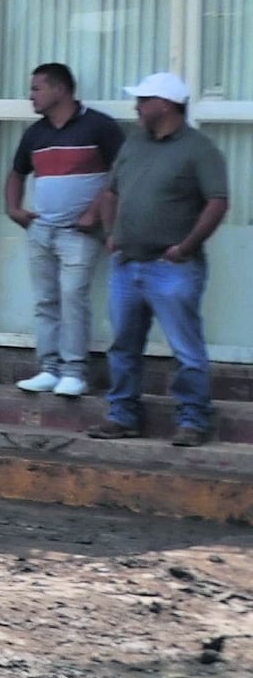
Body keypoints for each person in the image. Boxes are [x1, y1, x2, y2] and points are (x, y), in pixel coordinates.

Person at [98, 68, 230, 446]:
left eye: (143, 100)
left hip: (171, 267)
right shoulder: (133, 143)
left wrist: (186, 246)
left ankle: (193, 420)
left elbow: (217, 202)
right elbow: (111, 191)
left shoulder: (199, 149)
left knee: (186, 348)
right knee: (123, 344)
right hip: (127, 263)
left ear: (167, 104)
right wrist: (111, 235)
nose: (136, 107)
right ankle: (122, 415)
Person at [9, 61, 122, 400]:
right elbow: (16, 173)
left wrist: (95, 213)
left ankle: (74, 372)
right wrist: (14, 209)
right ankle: (48, 368)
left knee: (73, 298)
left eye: (36, 88)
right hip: (41, 229)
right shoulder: (35, 133)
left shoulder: (99, 126)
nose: (31, 96)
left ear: (59, 89)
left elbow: (122, 175)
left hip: (80, 232)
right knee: (46, 301)